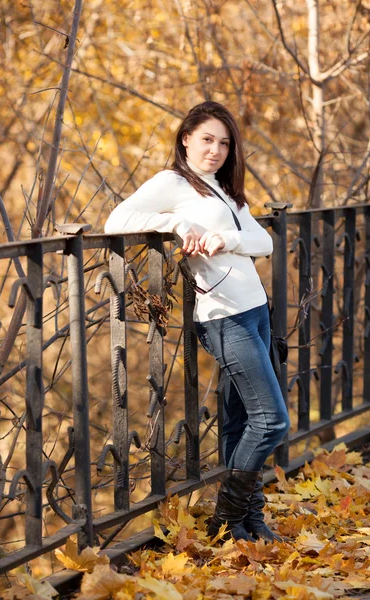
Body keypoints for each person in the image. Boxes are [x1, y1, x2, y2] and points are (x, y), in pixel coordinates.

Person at [104, 101, 290, 542]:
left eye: (224, 143)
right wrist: (175, 222)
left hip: (255, 311)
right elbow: (117, 220)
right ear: (186, 138)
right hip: (224, 317)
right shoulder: (172, 182)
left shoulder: (221, 187)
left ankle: (249, 521)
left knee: (240, 422)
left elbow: (262, 240)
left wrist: (226, 236)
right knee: (272, 420)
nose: (216, 149)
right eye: (207, 139)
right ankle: (226, 520)